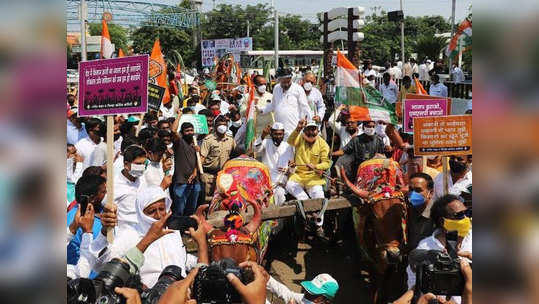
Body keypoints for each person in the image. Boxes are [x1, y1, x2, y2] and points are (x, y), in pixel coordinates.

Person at [90, 186, 209, 288]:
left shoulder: (172, 232)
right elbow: (100, 265)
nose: (158, 215)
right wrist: (105, 231)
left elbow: (182, 260)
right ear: (141, 213)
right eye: (151, 211)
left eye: (162, 209)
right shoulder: (129, 235)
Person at [405, 194, 472, 303]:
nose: (466, 219)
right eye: (459, 215)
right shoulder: (425, 249)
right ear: (443, 222)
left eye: (468, 213)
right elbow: (414, 285)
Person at [67, 175, 117, 265]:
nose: (107, 194)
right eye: (104, 192)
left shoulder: (101, 211)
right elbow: (92, 255)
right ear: (92, 198)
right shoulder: (78, 221)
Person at [258, 67, 312, 139]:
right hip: (279, 130)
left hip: (294, 129)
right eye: (283, 82)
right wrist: (262, 110)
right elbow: (273, 105)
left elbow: (305, 107)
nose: (286, 85)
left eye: (288, 82)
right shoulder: (276, 88)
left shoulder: (298, 89)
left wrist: (309, 124)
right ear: (279, 80)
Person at [286, 119, 330, 200]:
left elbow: (326, 163)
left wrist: (315, 166)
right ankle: (304, 201)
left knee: (319, 197)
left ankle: (318, 212)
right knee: (290, 185)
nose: (311, 132)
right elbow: (290, 141)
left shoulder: (323, 144)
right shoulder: (300, 138)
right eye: (308, 129)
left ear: (318, 131)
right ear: (304, 130)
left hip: (314, 177)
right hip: (298, 175)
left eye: (313, 129)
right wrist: (298, 129)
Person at [254, 122, 295, 206]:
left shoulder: (288, 146)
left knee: (280, 196)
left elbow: (292, 169)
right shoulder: (266, 142)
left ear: (283, 134)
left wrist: (289, 169)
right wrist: (262, 135)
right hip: (266, 181)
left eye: (280, 134)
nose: (278, 136)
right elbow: (256, 149)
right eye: (275, 134)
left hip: (281, 182)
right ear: (271, 133)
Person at [200, 115, 236, 200]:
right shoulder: (208, 140)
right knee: (207, 200)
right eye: (220, 125)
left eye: (224, 125)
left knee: (222, 200)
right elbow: (202, 158)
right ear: (215, 126)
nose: (222, 127)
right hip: (209, 176)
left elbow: (234, 155)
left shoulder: (231, 140)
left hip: (224, 177)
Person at [113, 145, 148, 230]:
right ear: (126, 164)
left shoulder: (142, 179)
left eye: (144, 164)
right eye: (138, 164)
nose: (142, 167)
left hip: (143, 228)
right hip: (124, 231)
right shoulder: (115, 185)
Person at [171, 122, 201, 216]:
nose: (190, 132)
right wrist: (179, 115)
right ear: (182, 133)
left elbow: (198, 162)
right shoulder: (179, 142)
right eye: (187, 131)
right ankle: (177, 228)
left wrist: (195, 172)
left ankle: (188, 228)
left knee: (191, 210)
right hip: (181, 182)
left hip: (194, 182)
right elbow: (173, 131)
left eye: (191, 130)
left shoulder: (195, 145)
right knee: (179, 210)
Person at [405, 173, 436, 253]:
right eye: (411, 189)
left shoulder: (438, 215)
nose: (413, 194)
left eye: (418, 190)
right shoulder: (405, 211)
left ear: (431, 193)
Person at [267, 273, 339, 304]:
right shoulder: (306, 298)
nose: (307, 295)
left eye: (313, 294)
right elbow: (288, 294)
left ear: (325, 301)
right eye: (308, 290)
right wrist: (267, 278)